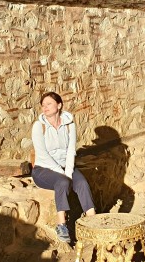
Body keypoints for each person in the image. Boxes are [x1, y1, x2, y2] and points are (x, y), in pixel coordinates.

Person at [31, 92, 96, 243]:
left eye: (49, 104)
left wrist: (68, 170)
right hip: (43, 169)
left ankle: (93, 221)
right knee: (62, 182)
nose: (45, 107)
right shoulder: (39, 126)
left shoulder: (69, 124)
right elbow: (43, 154)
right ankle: (61, 225)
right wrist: (63, 174)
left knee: (82, 182)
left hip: (65, 166)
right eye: (43, 105)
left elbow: (71, 151)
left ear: (59, 105)